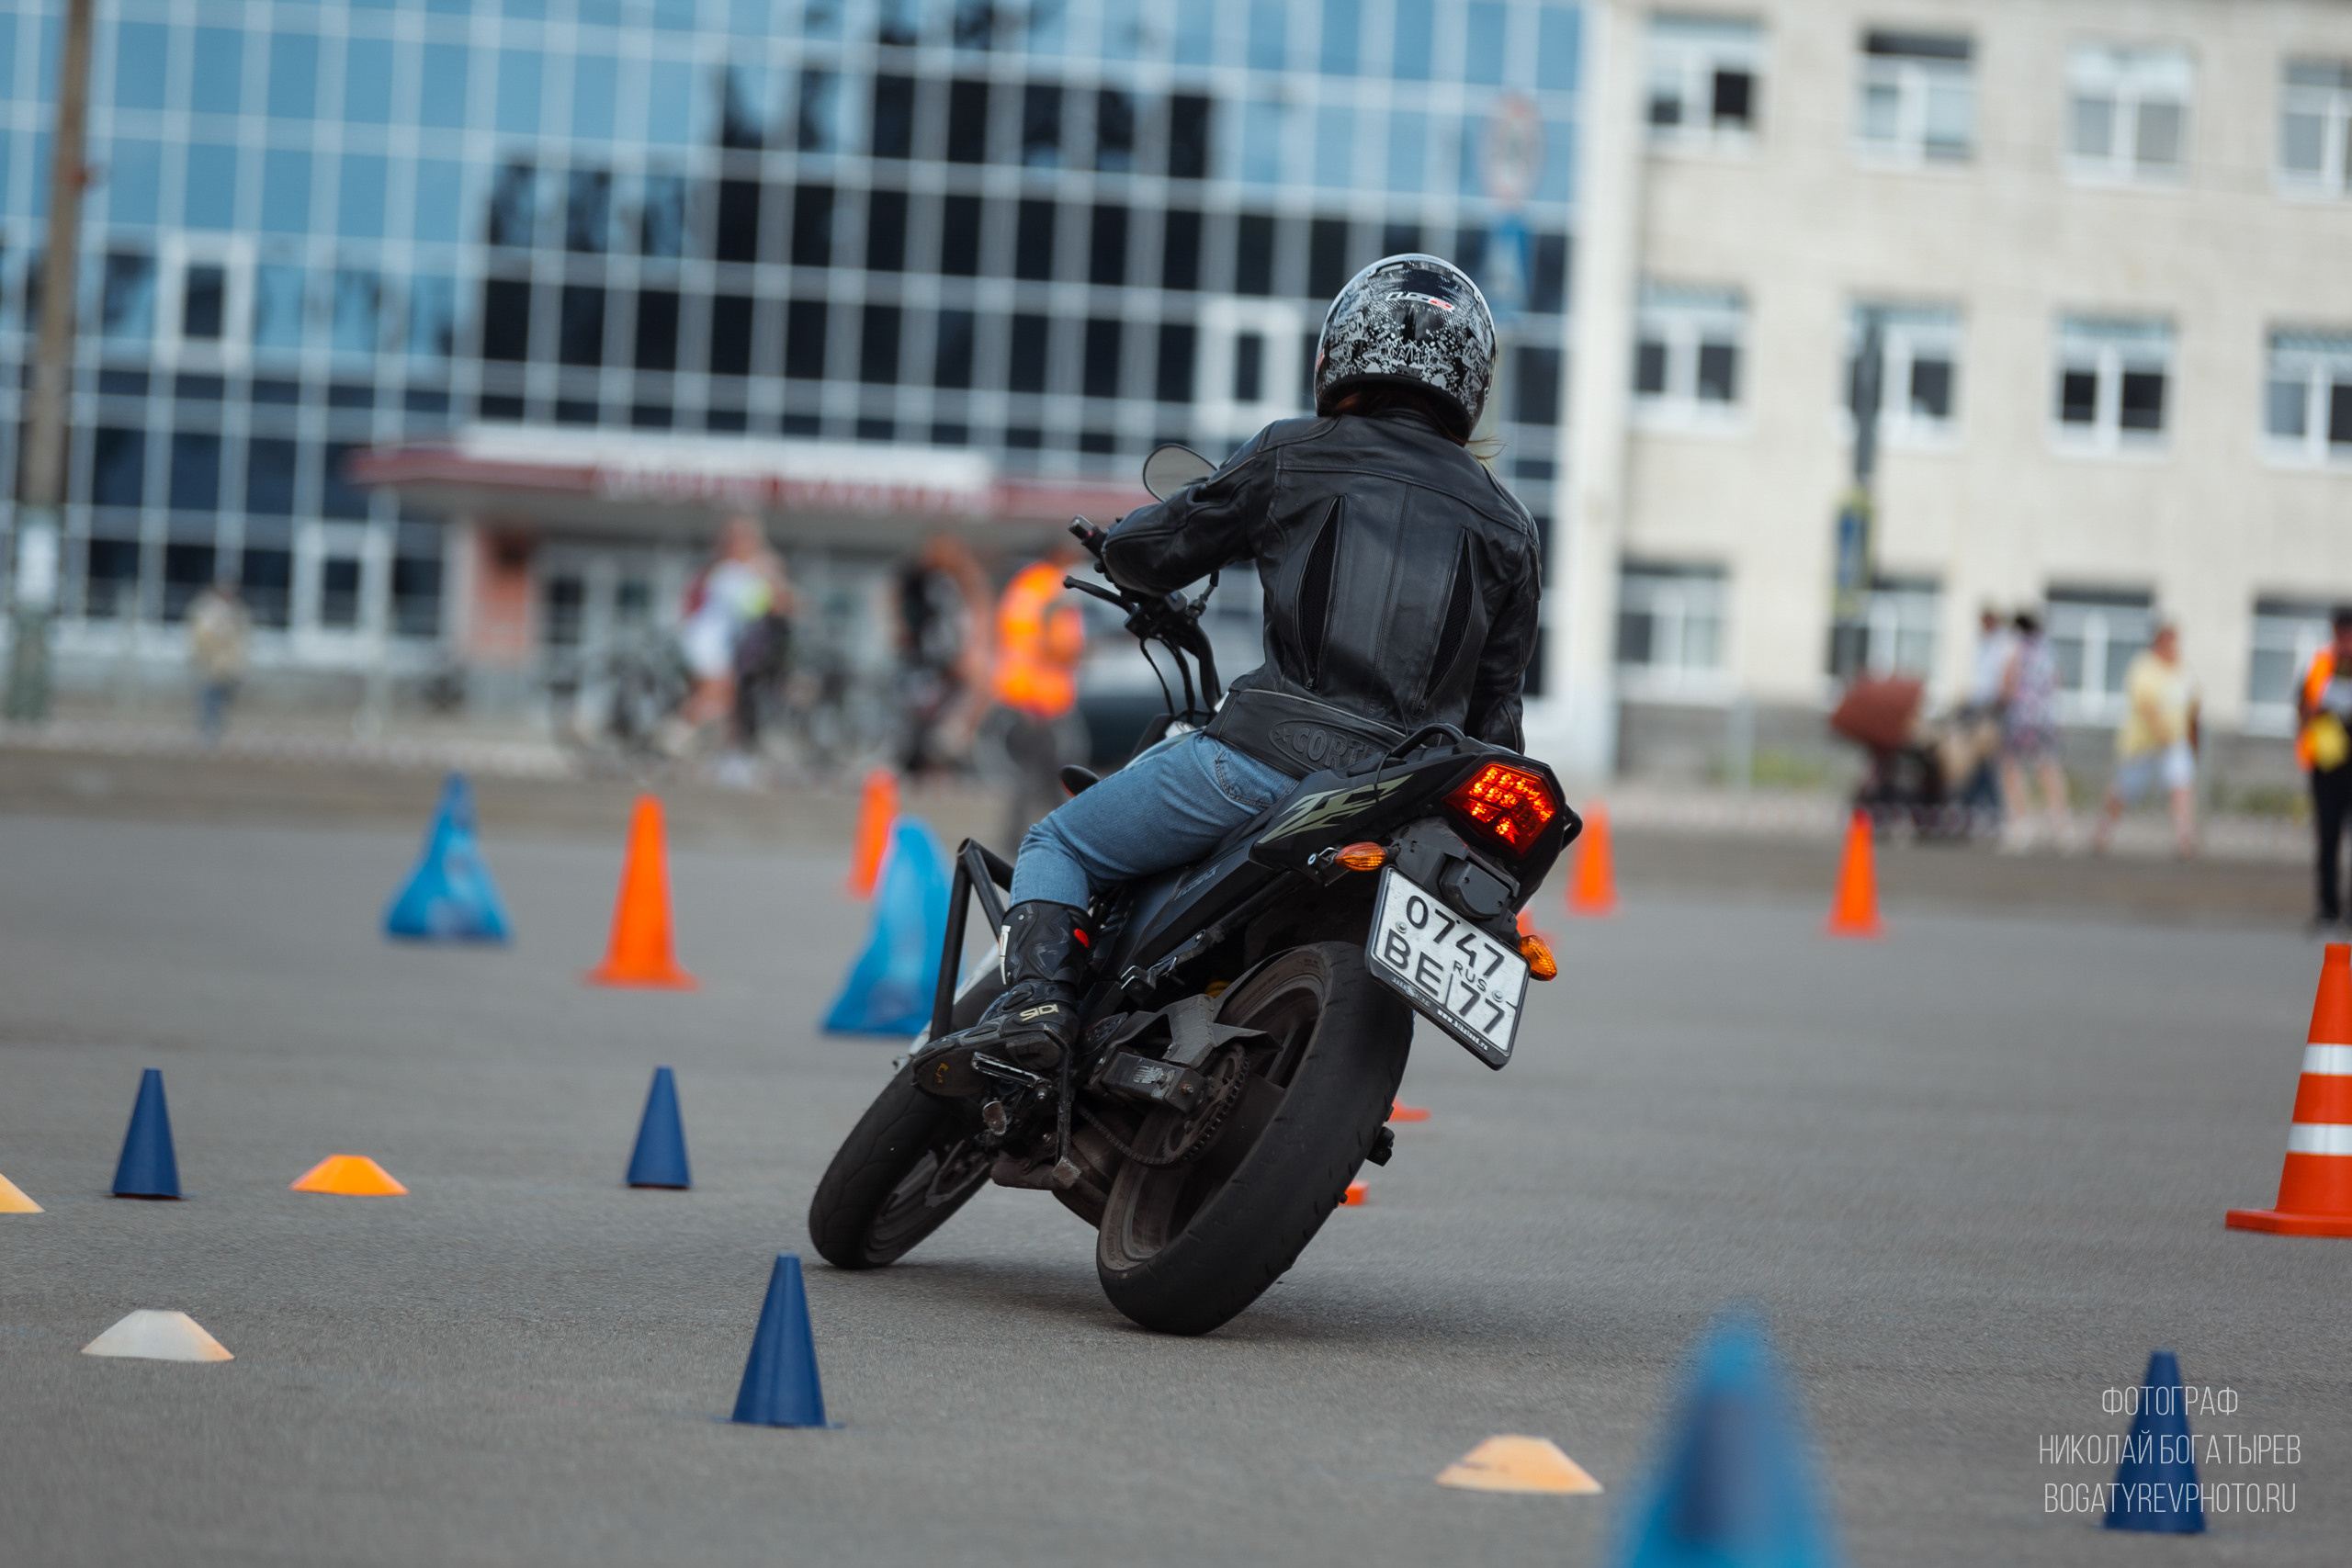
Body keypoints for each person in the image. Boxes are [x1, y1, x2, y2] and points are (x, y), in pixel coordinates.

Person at [923, 254, 1541, 1083]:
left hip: (1261, 762)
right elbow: (1498, 719)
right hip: (1402, 805)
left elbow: (1158, 546)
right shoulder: (1510, 526)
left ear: (1341, 352)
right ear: (1472, 378)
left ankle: (1037, 1006)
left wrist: (1123, 550)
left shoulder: (1295, 454)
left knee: (1057, 840)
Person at [989, 541, 1090, 845]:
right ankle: (1064, 836)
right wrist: (1080, 651)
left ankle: (1041, 835)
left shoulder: (1025, 585)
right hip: (1043, 698)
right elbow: (1060, 644)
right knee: (1056, 769)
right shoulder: (1052, 590)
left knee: (1042, 772)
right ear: (1060, 555)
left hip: (1023, 692)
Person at [673, 515, 789, 752]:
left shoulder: (738, 570)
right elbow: (764, 602)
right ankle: (675, 738)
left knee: (724, 700)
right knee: (713, 697)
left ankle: (712, 747)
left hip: (723, 644)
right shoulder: (728, 573)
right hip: (709, 644)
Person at [2091, 620, 2199, 858]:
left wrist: (2191, 738)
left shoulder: (2182, 669)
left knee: (2181, 789)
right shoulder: (2145, 667)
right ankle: (2101, 835)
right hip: (2143, 744)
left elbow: (2193, 705)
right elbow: (2144, 704)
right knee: (2122, 792)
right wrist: (2161, 732)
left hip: (2174, 742)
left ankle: (2185, 841)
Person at [894, 534, 993, 778]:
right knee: (933, 709)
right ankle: (936, 755)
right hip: (934, 656)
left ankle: (942, 752)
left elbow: (967, 621)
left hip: (942, 655)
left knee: (950, 706)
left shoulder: (953, 582)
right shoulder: (931, 581)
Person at [1998, 609, 2071, 853]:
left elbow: (2007, 681)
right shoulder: (2048, 649)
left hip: (2021, 717)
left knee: (2012, 768)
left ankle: (2021, 822)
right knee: (2049, 768)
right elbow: (2057, 682)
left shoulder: (2016, 647)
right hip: (2047, 717)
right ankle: (2061, 823)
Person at [2297, 606, 2352, 930]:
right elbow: (2302, 709)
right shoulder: (2321, 665)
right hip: (2328, 765)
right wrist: (2317, 710)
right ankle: (2328, 909)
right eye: (2341, 633)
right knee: (2328, 838)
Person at [1957, 605, 2012, 826]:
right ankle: (1972, 810)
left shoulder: (2003, 646)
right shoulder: (1982, 644)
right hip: (1978, 710)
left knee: (1988, 764)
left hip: (1992, 712)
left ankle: (1994, 813)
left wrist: (1993, 708)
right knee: (1974, 764)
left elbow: (2002, 685)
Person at [185, 577, 250, 745]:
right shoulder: (205, 610)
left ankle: (216, 731)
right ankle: (208, 732)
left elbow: (241, 640)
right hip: (210, 667)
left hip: (229, 667)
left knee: (224, 701)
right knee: (209, 700)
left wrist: (238, 663)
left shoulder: (237, 611)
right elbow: (199, 637)